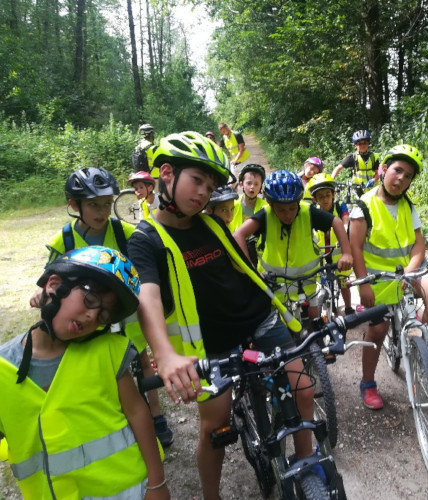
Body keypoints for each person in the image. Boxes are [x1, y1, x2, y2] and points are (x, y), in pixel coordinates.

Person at [127, 132, 316, 499]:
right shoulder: (145, 240)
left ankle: (307, 467)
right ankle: (211, 496)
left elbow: (242, 267)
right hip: (209, 346)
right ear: (167, 173)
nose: (203, 192)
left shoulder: (212, 223)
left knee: (303, 389)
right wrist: (164, 355)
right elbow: (146, 296)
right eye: (197, 180)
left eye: (210, 185)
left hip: (259, 320)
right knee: (215, 428)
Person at [0, 246, 169, 498]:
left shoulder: (108, 352)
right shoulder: (4, 367)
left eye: (103, 316)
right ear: (55, 284)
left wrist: (157, 483)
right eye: (90, 301)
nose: (92, 316)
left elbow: (137, 412)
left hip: (126, 491)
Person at [40, 167, 174, 448]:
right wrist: (42, 294)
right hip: (89, 318)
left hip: (126, 317)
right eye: (93, 205)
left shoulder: (126, 233)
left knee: (142, 362)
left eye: (106, 204)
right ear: (74, 205)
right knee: (103, 369)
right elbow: (49, 279)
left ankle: (156, 415)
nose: (101, 211)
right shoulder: (63, 241)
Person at [349, 144, 428, 411]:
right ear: (383, 170)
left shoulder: (408, 205)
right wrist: (363, 285)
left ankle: (425, 351)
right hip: (376, 276)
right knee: (379, 328)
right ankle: (368, 383)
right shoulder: (364, 206)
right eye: (397, 171)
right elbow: (355, 248)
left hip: (408, 269)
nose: (401, 179)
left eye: (408, 176)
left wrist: (411, 269)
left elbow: (418, 245)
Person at [234, 170, 353, 325]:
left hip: (307, 282)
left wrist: (346, 253)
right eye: (281, 210)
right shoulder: (265, 214)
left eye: (292, 208)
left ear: (298, 202)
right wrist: (250, 270)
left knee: (314, 320)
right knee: (276, 328)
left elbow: (336, 222)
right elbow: (238, 235)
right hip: (275, 285)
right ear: (271, 204)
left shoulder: (307, 211)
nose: (288, 214)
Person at [307, 173, 355, 315]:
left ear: (333, 194)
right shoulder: (313, 212)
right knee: (321, 285)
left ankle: (348, 307)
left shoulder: (340, 206)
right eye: (320, 197)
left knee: (343, 283)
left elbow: (345, 221)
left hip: (339, 255)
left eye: (328, 195)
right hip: (321, 255)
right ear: (314, 199)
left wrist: (345, 230)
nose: (325, 199)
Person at [331, 129, 380, 194]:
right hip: (358, 189)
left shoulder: (373, 157)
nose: (362, 145)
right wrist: (330, 181)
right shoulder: (353, 157)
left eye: (365, 143)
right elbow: (338, 168)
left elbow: (379, 172)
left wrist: (373, 180)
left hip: (373, 189)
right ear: (355, 145)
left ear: (368, 143)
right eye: (359, 144)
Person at [231, 163, 268, 228]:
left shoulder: (265, 207)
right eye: (249, 183)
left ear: (261, 186)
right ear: (241, 184)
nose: (252, 187)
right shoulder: (233, 205)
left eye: (256, 184)